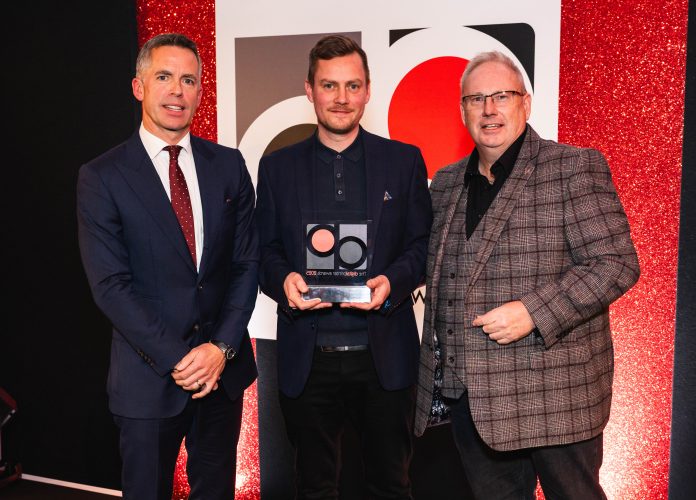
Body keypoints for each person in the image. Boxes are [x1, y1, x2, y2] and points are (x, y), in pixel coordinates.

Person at [414, 51, 640, 499]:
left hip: (555, 400)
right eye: (476, 99)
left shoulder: (573, 167)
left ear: (526, 103)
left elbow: (616, 262)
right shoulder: (445, 182)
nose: (489, 109)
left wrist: (534, 312)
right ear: (462, 110)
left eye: (502, 96)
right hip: (472, 402)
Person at [77, 33, 259, 500]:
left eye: (188, 80)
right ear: (139, 86)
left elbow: (246, 264)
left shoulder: (229, 166)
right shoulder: (102, 177)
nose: (177, 90)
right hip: (148, 380)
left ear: (200, 91)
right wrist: (180, 359)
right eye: (164, 77)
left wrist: (220, 349)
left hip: (221, 376)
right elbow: (110, 285)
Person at [255, 35, 432, 499]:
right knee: (313, 488)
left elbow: (422, 245)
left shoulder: (404, 161)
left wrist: (393, 281)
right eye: (329, 85)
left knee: (391, 486)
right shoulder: (276, 168)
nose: (341, 98)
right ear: (309, 90)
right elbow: (264, 250)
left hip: (384, 356)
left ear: (368, 90)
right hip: (307, 357)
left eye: (352, 86)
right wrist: (283, 280)